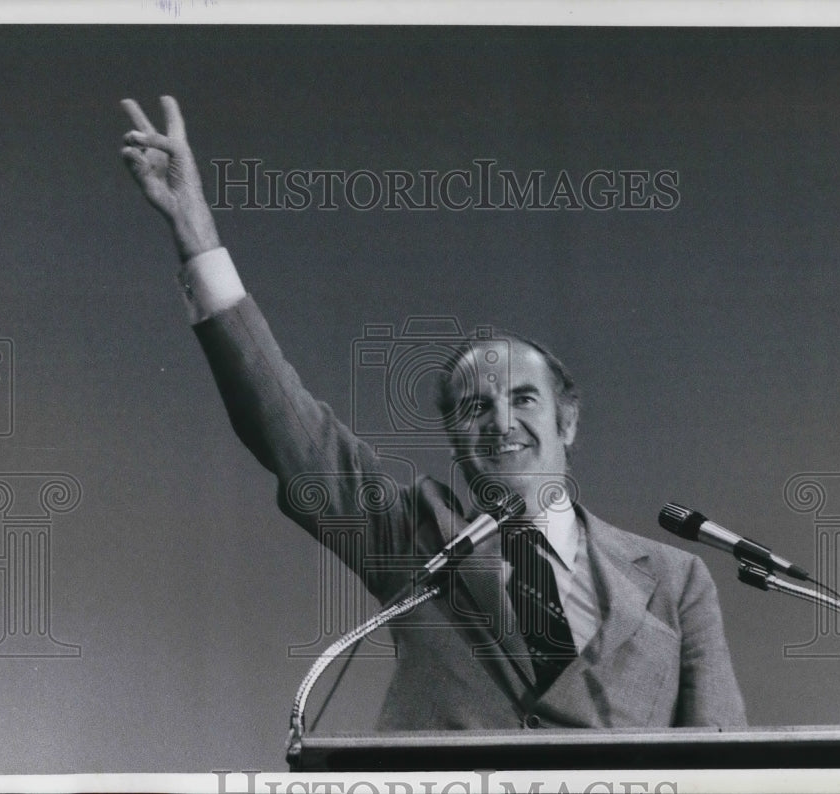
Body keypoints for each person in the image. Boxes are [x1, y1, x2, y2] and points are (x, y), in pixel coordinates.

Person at [120, 96, 747, 730]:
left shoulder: (675, 578)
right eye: (476, 408)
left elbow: (726, 758)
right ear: (455, 435)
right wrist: (196, 234)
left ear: (568, 420)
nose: (501, 422)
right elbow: (292, 433)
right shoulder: (414, 538)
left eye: (523, 399)